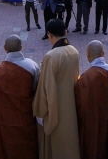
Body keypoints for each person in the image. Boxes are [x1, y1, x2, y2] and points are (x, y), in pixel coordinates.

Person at [0, 35, 40, 159]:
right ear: (21, 47)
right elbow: (37, 91)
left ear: (5, 48)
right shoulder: (32, 66)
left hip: (6, 122)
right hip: (26, 121)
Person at [33, 19, 80, 159]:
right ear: (65, 32)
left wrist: (39, 110)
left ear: (49, 35)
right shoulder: (74, 51)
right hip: (70, 108)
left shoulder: (51, 56)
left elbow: (46, 87)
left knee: (55, 149)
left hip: (55, 111)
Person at [75, 40, 108, 159]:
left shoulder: (86, 77)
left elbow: (80, 102)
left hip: (90, 121)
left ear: (87, 54)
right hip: (107, 118)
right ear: (103, 54)